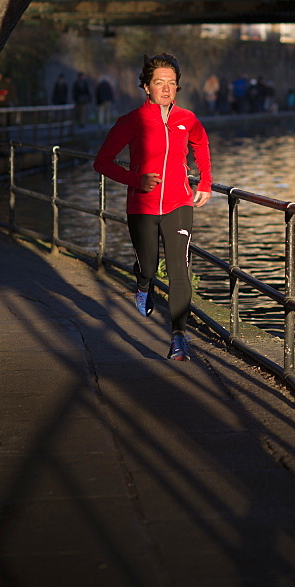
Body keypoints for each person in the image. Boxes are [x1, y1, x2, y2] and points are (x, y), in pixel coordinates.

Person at [93, 52, 212, 361]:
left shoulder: (187, 119)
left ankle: (178, 337)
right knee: (148, 265)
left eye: (171, 83)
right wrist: (136, 179)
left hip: (179, 203)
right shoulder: (132, 121)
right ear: (146, 86)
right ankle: (143, 282)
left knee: (179, 271)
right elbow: (102, 162)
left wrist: (206, 182)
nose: (166, 89)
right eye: (159, 82)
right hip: (142, 206)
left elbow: (201, 144)